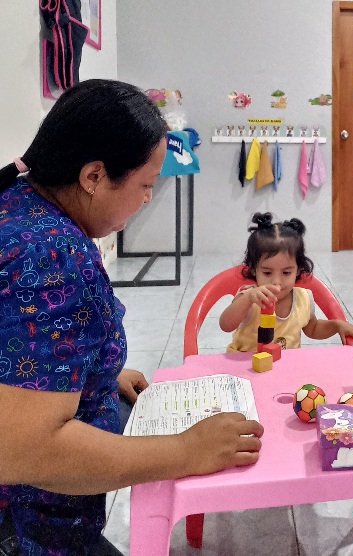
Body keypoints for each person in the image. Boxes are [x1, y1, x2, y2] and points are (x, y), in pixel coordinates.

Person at [0, 79, 263, 556]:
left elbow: (21, 354)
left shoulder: (18, 204)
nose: (147, 198)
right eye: (145, 185)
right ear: (93, 176)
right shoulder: (50, 254)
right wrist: (185, 451)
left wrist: (91, 375)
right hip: (23, 526)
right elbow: (23, 450)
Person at [220, 212, 353, 352]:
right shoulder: (249, 296)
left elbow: (313, 329)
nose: (276, 282)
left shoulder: (303, 299)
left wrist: (336, 325)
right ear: (254, 270)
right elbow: (226, 325)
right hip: (246, 363)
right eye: (267, 273)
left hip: (286, 364)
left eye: (286, 273)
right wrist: (248, 299)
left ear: (298, 270)